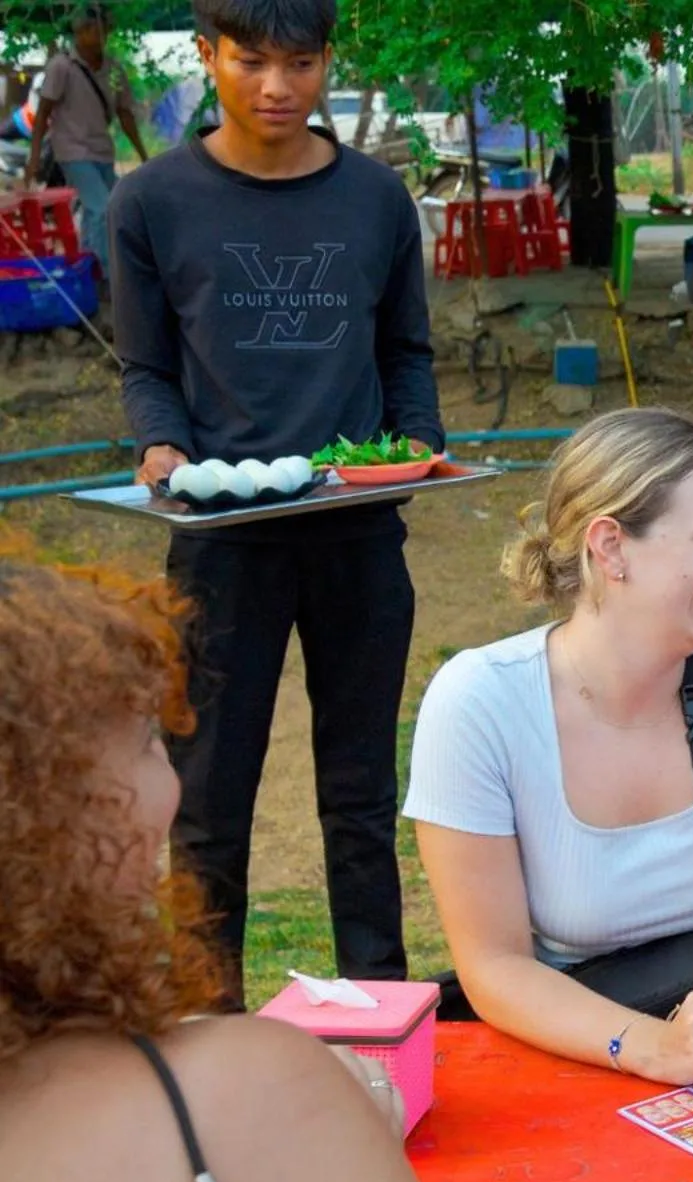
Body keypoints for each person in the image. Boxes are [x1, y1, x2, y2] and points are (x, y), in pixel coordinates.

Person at [109, 0, 443, 1006]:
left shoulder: (376, 199)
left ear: (328, 60)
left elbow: (405, 352)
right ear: (206, 54)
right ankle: (209, 1024)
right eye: (250, 61)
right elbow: (146, 365)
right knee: (207, 803)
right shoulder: (150, 202)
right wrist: (161, 444)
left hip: (355, 532)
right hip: (220, 539)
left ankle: (378, 1020)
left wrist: (418, 444)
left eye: (300, 63)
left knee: (359, 796)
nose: (277, 87)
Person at [406, 410, 693, 1087]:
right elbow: (492, 966)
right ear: (610, 549)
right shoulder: (478, 704)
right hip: (567, 1060)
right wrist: (655, 1047)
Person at [0, 533, 424, 1182]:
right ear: (39, 816)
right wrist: (344, 1114)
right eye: (147, 739)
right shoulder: (240, 1096)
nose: (172, 780)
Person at [24, 6, 148, 277]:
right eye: (92, 29)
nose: (99, 35)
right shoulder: (61, 67)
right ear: (80, 32)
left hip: (102, 150)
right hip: (72, 150)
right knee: (103, 208)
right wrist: (34, 157)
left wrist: (144, 155)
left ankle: (88, 267)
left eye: (102, 29)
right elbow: (43, 112)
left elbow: (124, 114)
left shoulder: (113, 69)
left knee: (104, 211)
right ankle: (107, 274)